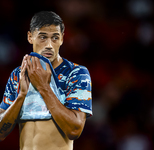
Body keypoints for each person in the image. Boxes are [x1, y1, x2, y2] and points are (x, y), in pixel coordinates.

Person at [0, 11, 92, 150]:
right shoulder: (18, 75)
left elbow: (75, 130)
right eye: (43, 37)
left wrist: (43, 87)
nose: (49, 45)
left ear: (62, 39)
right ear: (30, 37)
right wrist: (21, 96)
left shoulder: (76, 73)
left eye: (55, 38)